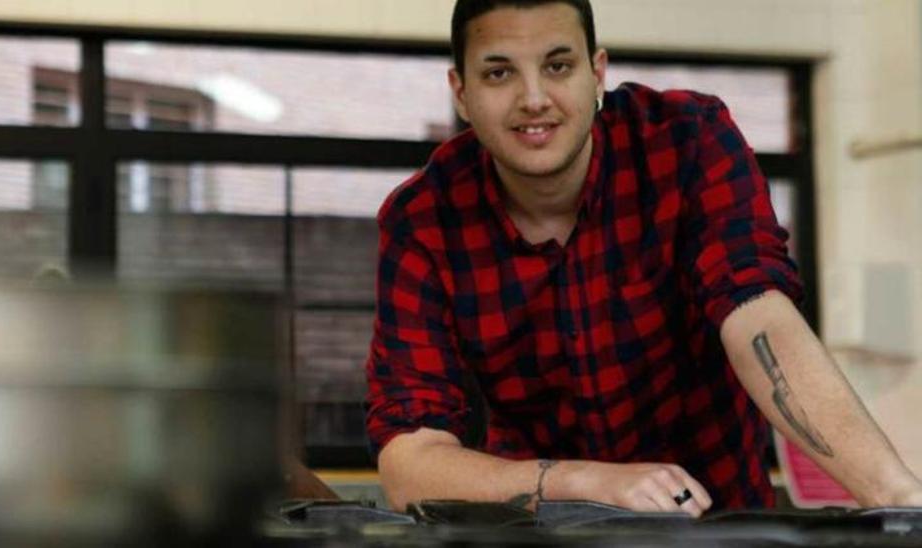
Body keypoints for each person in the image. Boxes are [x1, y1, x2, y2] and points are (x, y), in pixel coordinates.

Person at [364, 0, 922, 516]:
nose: (533, 98)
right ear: (460, 91)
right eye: (499, 72)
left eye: (558, 66)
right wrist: (592, 482)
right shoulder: (424, 219)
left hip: (720, 523)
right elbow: (409, 460)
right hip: (539, 532)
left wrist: (897, 497)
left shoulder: (687, 143)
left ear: (597, 72)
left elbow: (758, 314)